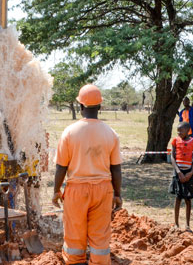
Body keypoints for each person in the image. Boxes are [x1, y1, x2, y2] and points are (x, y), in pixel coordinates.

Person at [53, 84, 122, 265]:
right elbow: (116, 168)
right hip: (103, 190)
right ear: (100, 106)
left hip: (76, 191)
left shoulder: (69, 133)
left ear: (80, 106)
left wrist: (56, 191)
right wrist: (118, 194)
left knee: (75, 238)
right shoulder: (111, 133)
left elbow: (61, 167)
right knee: (100, 238)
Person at [169, 122, 193, 230]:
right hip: (178, 172)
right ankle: (176, 224)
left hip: (189, 172)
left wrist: (191, 172)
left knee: (188, 199)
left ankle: (187, 225)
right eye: (177, 130)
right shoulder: (175, 140)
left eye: (181, 130)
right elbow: (172, 157)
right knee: (178, 198)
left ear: (188, 131)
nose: (178, 132)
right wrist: (178, 172)